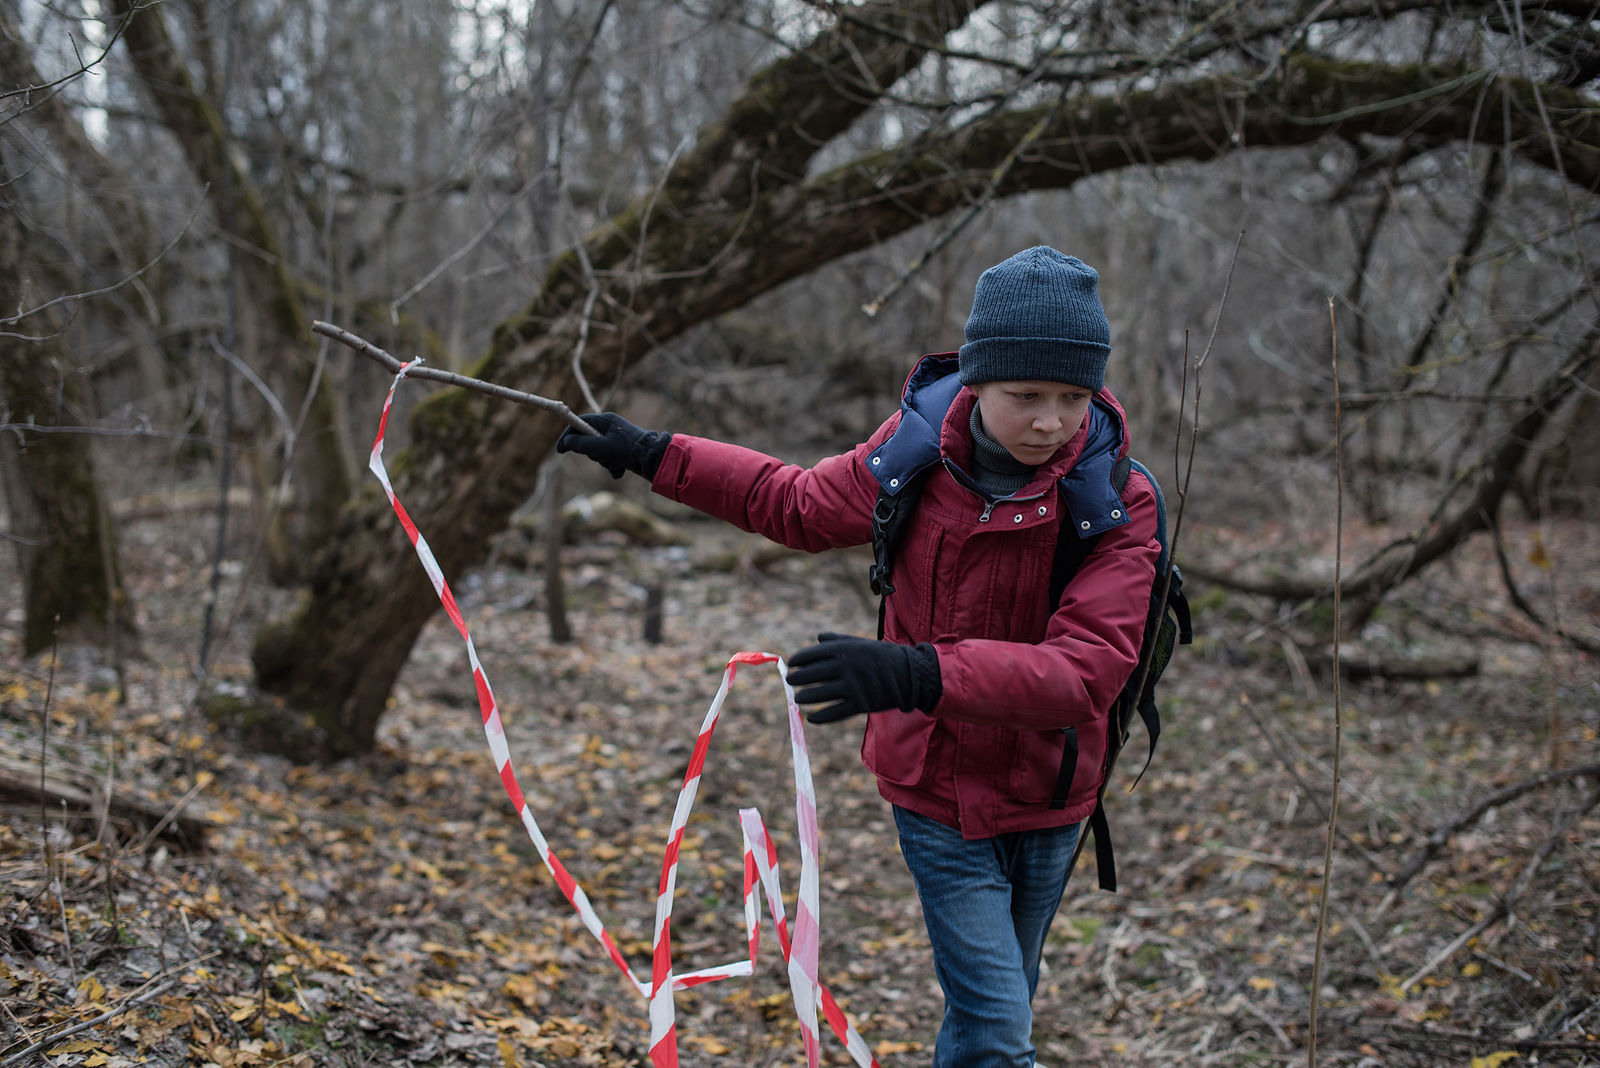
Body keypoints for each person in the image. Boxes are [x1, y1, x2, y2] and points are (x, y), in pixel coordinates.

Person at [557, 246, 1161, 1067]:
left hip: (1052, 793)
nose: (1052, 422)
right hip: (935, 793)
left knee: (997, 1007)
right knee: (995, 1027)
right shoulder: (911, 455)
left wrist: (918, 673)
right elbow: (797, 505)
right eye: (1026, 397)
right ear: (979, 380)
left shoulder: (1116, 497)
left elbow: (1089, 671)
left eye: (1072, 398)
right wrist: (655, 455)